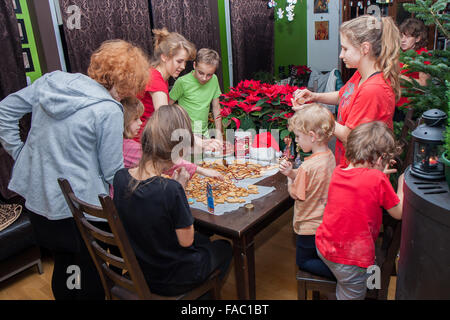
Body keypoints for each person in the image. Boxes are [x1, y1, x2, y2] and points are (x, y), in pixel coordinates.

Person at [0, 40, 150, 299]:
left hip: (39, 197)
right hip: (79, 206)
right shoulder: (108, 109)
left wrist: (22, 154)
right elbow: (112, 170)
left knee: (66, 265)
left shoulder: (52, 81)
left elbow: (4, 110)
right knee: (85, 273)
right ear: (126, 81)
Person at [113, 104, 232, 297]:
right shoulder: (171, 189)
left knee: (205, 240)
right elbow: (186, 241)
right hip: (171, 278)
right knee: (224, 247)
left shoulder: (119, 177)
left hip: (140, 267)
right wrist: (181, 190)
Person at [292, 15, 401, 167]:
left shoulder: (374, 89)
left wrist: (316, 114)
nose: (341, 55)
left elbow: (349, 135)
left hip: (361, 173)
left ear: (365, 48)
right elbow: (343, 95)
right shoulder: (361, 74)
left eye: (345, 48)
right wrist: (314, 96)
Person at [315, 121, 404, 300]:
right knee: (352, 292)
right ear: (380, 160)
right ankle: (368, 291)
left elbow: (364, 187)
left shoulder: (339, 172)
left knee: (370, 268)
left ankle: (371, 288)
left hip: (325, 246)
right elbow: (398, 212)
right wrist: (402, 183)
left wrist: (380, 175)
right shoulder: (378, 180)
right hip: (350, 258)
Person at [136, 28, 222, 152]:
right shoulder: (156, 81)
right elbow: (165, 122)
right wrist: (198, 141)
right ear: (164, 57)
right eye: (179, 61)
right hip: (142, 142)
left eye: (184, 62)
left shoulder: (159, 76)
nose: (182, 67)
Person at [279, 104, 336, 279]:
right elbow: (310, 180)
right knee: (320, 255)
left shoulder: (307, 166)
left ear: (312, 137)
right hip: (325, 222)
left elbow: (296, 194)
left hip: (308, 226)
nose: (296, 140)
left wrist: (289, 178)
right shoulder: (330, 157)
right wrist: (292, 172)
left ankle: (341, 273)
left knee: (303, 261)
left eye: (297, 136)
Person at [121, 97, 223, 179]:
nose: (140, 122)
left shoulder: (125, 143)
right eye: (135, 119)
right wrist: (201, 171)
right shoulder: (130, 147)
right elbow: (164, 162)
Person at [169, 48, 223, 142]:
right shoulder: (182, 82)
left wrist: (219, 134)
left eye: (209, 75)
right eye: (201, 73)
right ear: (194, 65)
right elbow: (167, 105)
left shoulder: (214, 79)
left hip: (203, 132)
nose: (204, 78)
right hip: (186, 133)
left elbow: (216, 107)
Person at [395, 18, 431, 121]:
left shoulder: (423, 56)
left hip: (410, 109)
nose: (403, 40)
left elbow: (424, 84)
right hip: (395, 104)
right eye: (401, 36)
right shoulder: (401, 53)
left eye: (408, 36)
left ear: (418, 38)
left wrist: (399, 77)